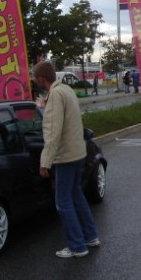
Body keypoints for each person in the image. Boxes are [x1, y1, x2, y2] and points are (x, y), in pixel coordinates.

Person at [33, 61, 100, 258]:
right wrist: (45, 105)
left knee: (62, 202)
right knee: (77, 195)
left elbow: (53, 132)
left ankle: (77, 246)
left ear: (41, 80)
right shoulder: (66, 90)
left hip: (65, 156)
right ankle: (91, 236)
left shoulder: (54, 95)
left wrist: (45, 162)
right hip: (78, 151)